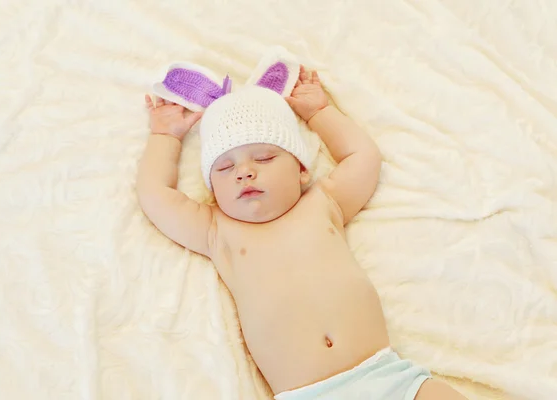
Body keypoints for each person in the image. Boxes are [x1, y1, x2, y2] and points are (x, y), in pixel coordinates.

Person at [137, 65, 467, 399]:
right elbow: (156, 196)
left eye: (264, 157)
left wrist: (320, 113)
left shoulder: (323, 204)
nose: (244, 173)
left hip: (386, 376)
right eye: (225, 167)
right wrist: (165, 137)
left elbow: (363, 157)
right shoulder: (217, 230)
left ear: (301, 170)